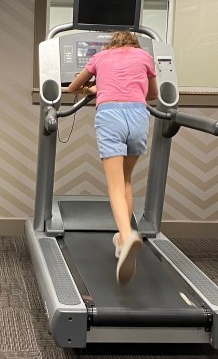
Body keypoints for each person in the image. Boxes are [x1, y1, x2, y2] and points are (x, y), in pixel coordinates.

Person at [66, 31, 157, 283]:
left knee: (115, 185)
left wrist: (92, 88)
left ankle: (127, 236)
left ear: (112, 43)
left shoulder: (101, 57)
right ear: (134, 43)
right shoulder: (145, 56)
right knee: (126, 180)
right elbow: (153, 94)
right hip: (138, 116)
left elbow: (72, 87)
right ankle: (121, 237)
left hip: (110, 117)